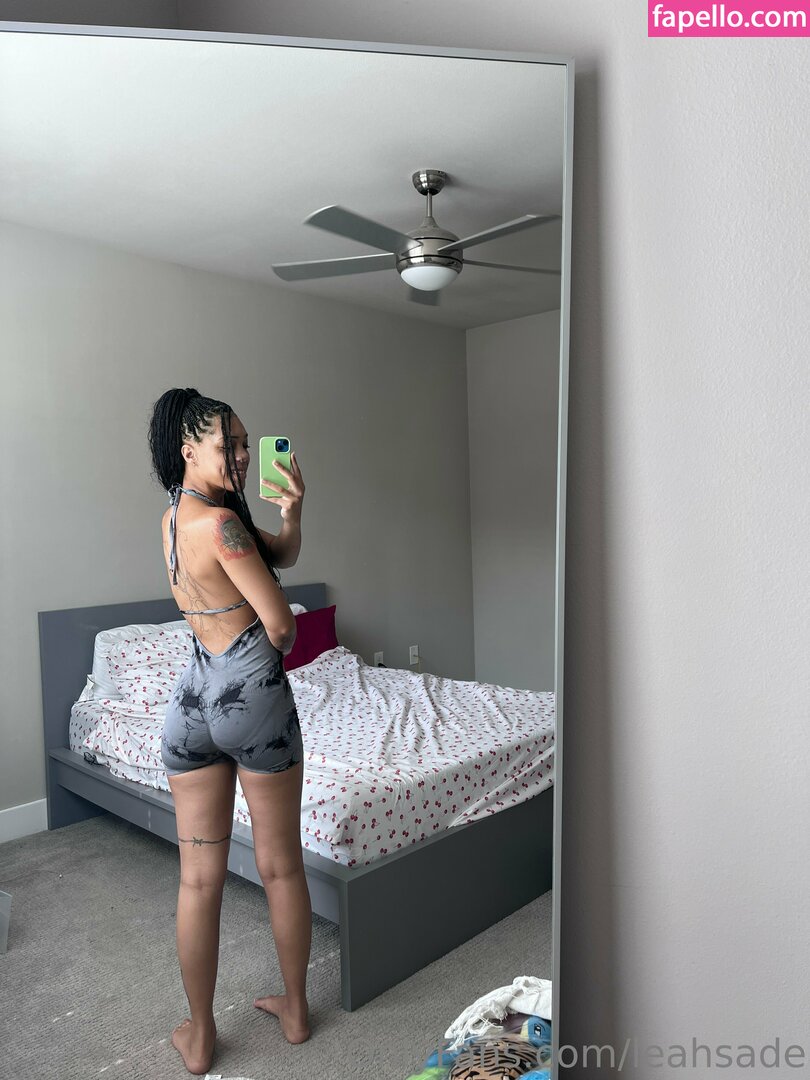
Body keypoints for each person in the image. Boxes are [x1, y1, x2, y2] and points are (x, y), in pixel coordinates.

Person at [147, 387, 311, 1076]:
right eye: (230, 444)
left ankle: (201, 1034)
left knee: (197, 881)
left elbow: (279, 554)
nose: (243, 454)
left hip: (191, 704)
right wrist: (273, 642)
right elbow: (282, 624)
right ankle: (296, 1012)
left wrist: (291, 510)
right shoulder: (222, 526)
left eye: (246, 443)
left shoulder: (175, 520)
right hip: (249, 696)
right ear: (188, 449)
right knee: (280, 865)